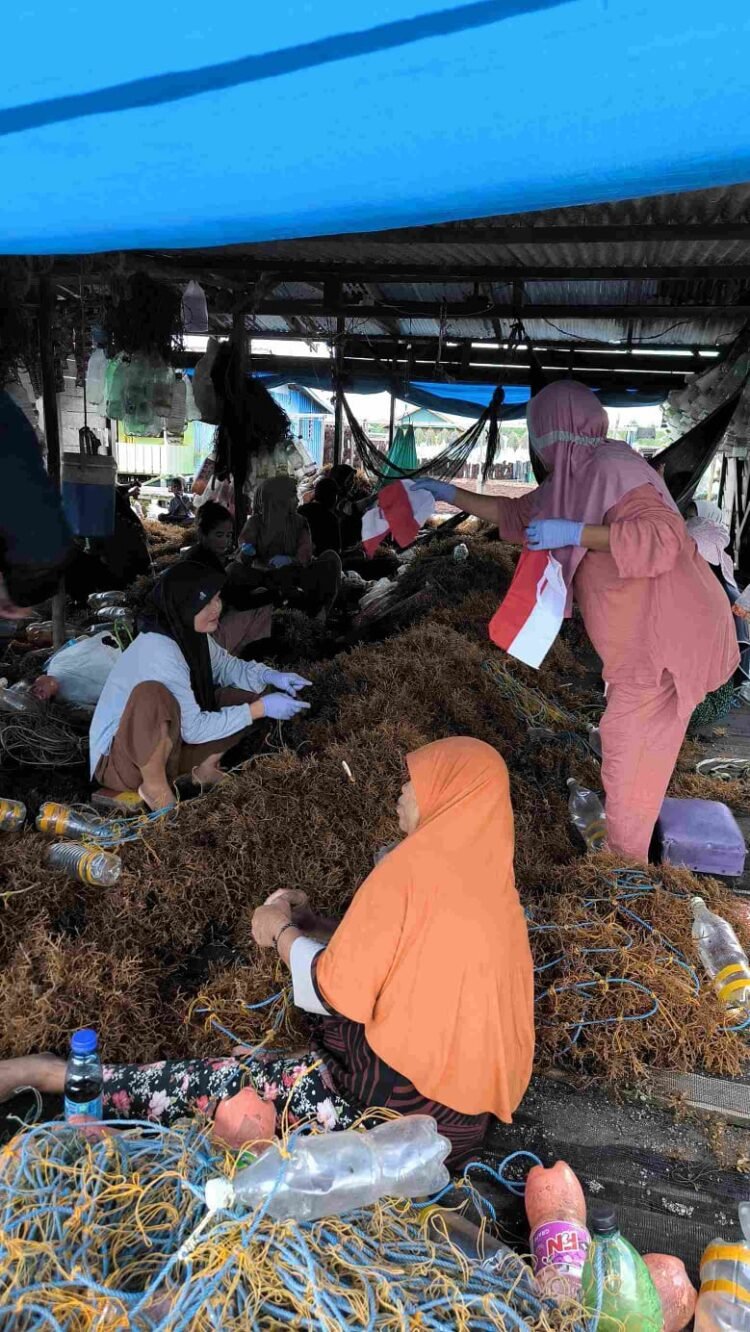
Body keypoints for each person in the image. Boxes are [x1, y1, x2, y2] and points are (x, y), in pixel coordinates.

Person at [0, 737, 534, 1169]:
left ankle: (54, 1075)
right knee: (270, 1067)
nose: (401, 791)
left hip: (394, 1122)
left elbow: (336, 988)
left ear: (448, 794)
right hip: (460, 1120)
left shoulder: (410, 871)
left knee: (222, 1085)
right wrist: (315, 923)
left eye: (414, 782)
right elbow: (403, 958)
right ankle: (274, 1072)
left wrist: (278, 931)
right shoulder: (486, 882)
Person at [420, 380, 739, 863]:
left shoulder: (613, 468)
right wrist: (447, 493)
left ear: (558, 432)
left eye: (541, 435)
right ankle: (626, 849)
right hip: (638, 642)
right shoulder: (573, 479)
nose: (540, 447)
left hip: (666, 636)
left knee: (628, 751)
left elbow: (663, 537)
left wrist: (576, 533)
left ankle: (621, 869)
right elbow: (517, 515)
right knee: (635, 748)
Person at [89, 561, 310, 810]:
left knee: (243, 699)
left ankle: (203, 769)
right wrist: (260, 709)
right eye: (205, 603)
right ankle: (154, 786)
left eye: (217, 598)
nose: (217, 607)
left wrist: (271, 677)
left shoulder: (191, 634)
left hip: (170, 746)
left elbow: (227, 667)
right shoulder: (159, 649)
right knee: (152, 696)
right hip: (121, 762)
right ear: (183, 606)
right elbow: (194, 729)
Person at [240, 474, 341, 620]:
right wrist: (246, 552)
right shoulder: (255, 523)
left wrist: (290, 559)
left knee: (332, 558)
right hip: (265, 578)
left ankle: (320, 616)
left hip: (296, 576)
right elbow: (244, 553)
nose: (298, 499)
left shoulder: (300, 522)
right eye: (293, 495)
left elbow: (305, 554)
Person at [189, 501, 274, 654]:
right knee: (262, 605)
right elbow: (239, 601)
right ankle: (238, 659)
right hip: (201, 646)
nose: (225, 541)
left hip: (196, 638)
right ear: (203, 534)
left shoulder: (196, 554)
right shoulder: (206, 563)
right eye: (219, 535)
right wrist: (277, 594)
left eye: (228, 535)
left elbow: (230, 593)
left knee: (259, 593)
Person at [685, 498, 750, 686]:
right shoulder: (718, 551)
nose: (688, 521)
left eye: (692, 517)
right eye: (688, 516)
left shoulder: (705, 546)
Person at [298, 476, 342, 557]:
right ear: (331, 497)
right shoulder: (330, 519)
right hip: (319, 564)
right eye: (335, 496)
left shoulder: (300, 510)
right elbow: (335, 552)